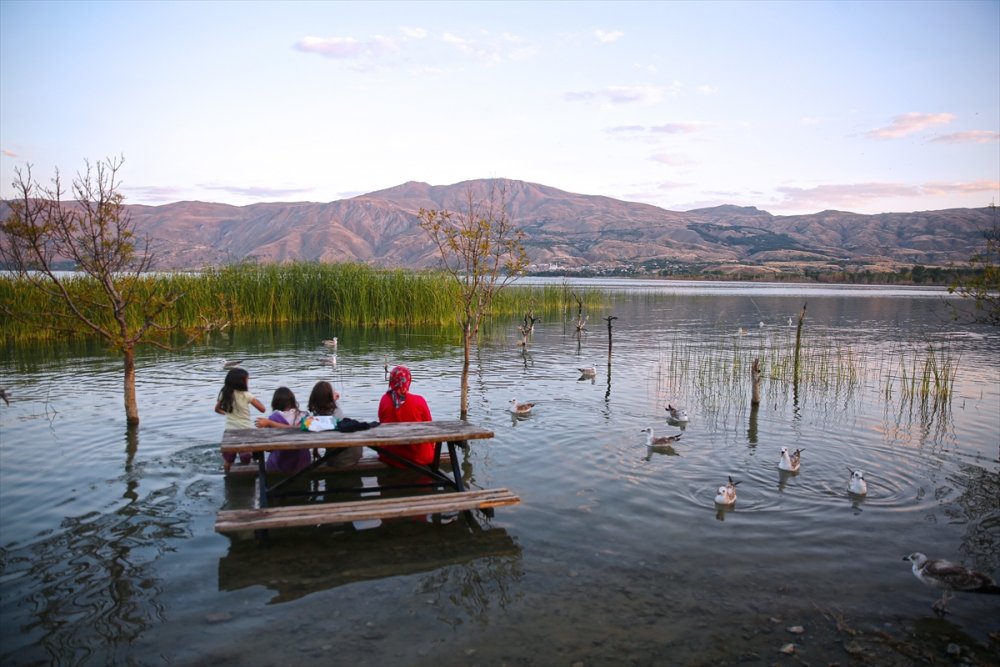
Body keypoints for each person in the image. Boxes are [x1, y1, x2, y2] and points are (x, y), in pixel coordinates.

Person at [377, 365, 434, 467]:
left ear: (391, 380)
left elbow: (382, 423)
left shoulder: (384, 400)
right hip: (419, 456)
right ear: (408, 381)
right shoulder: (419, 401)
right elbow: (430, 428)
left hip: (391, 455)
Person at [214, 367, 266, 472]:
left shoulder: (224, 394)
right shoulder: (246, 395)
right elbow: (263, 409)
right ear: (242, 382)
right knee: (246, 460)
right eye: (247, 379)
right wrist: (253, 397)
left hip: (229, 433)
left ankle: (227, 477)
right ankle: (245, 477)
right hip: (245, 432)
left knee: (228, 461)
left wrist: (228, 413)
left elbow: (217, 409)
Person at [255, 386, 311, 474]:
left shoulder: (272, 419)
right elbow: (301, 428)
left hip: (280, 462)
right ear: (293, 401)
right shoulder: (305, 416)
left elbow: (268, 448)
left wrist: (270, 423)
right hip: (303, 462)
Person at [308, 380, 362, 468]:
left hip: (339, 460)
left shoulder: (316, 417)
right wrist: (333, 399)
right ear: (330, 397)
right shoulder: (336, 409)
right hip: (354, 455)